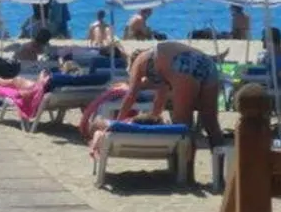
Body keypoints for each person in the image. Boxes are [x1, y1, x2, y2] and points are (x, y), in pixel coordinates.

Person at [93, 40, 225, 151]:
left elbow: (131, 95)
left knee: (183, 126)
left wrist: (117, 124)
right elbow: (160, 100)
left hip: (184, 62)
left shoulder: (138, 61)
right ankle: (220, 168)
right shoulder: (160, 64)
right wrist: (154, 119)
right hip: (207, 63)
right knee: (211, 124)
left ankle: (186, 171)